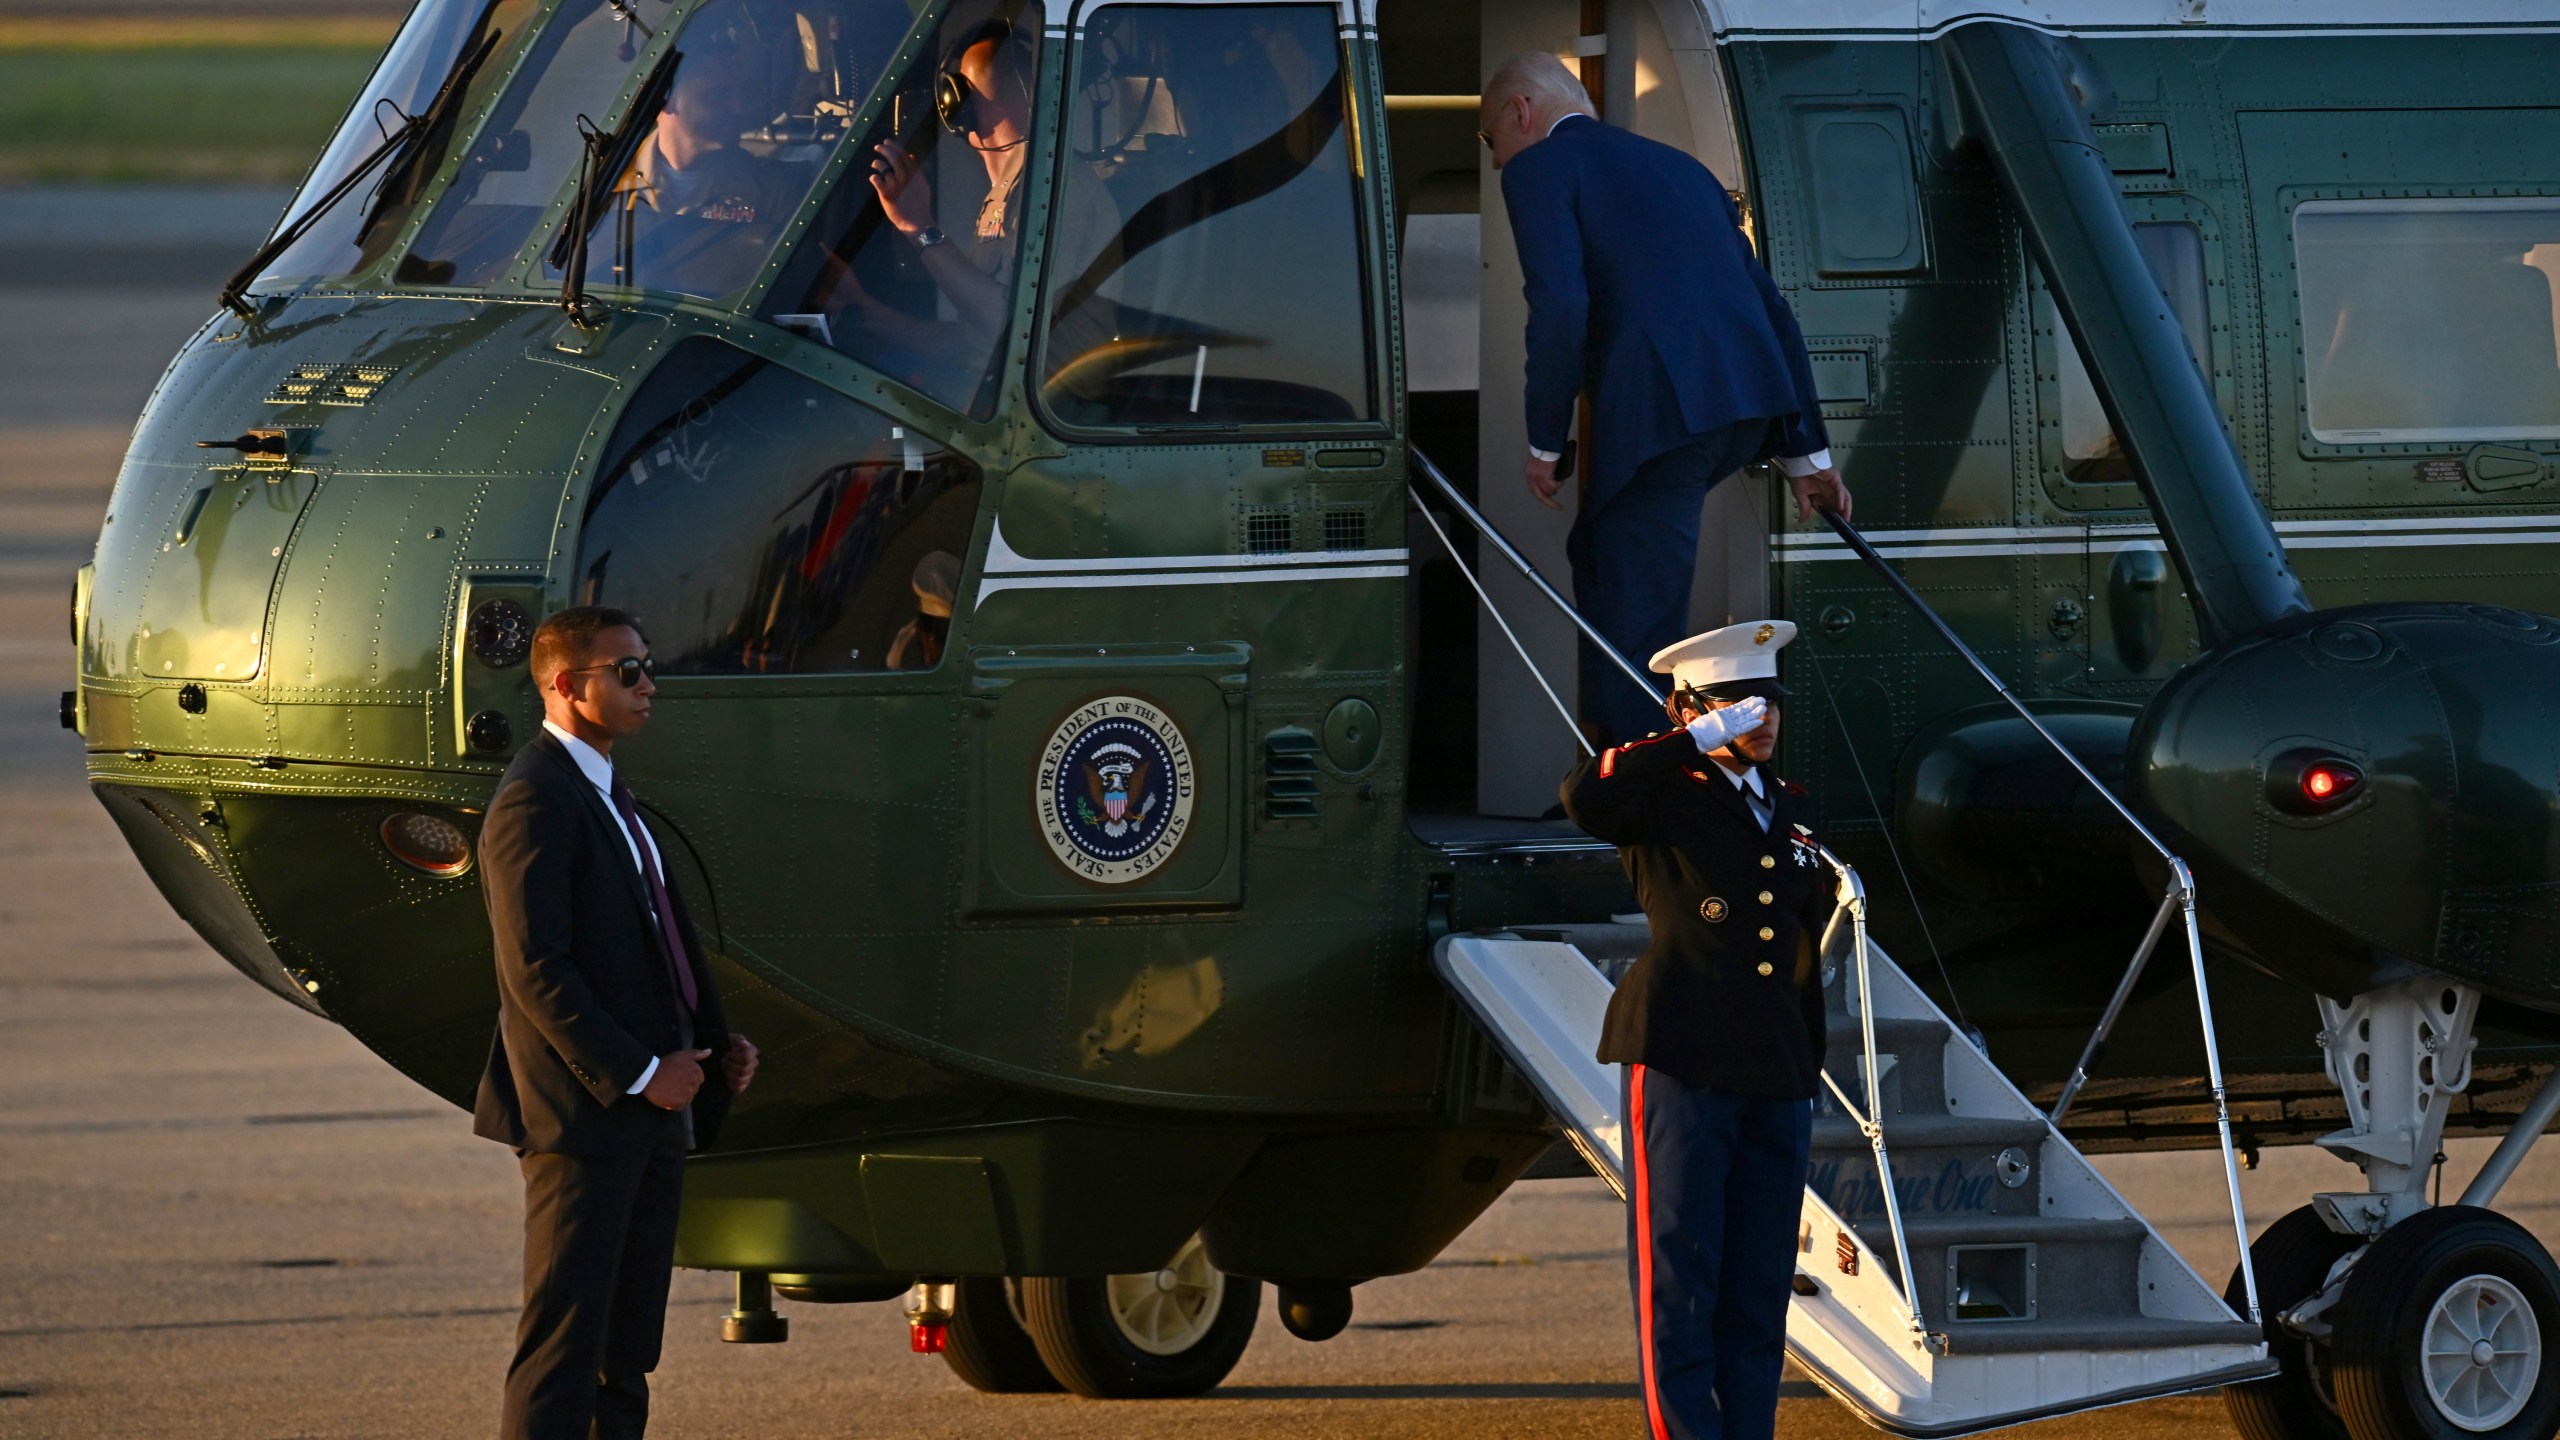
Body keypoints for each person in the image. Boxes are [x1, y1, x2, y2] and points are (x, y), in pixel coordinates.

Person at [1482, 53, 1851, 748]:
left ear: (1521, 111)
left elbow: (1559, 303)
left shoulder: (1540, 167)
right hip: (1744, 409)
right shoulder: (1683, 169)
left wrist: (1544, 440)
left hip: (1666, 416)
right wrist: (1809, 456)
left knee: (1634, 607)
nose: (1497, 160)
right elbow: (1772, 309)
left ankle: (1641, 789)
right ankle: (1614, 767)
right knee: (1602, 554)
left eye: (1488, 138)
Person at [474, 605, 760, 1440]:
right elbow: (537, 971)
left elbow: (657, 938)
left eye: (647, 666)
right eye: (626, 671)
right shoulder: (533, 800)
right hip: (584, 1119)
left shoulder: (606, 789)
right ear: (566, 686)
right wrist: (639, 1070)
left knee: (627, 1351)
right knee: (562, 1349)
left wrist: (712, 1043)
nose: (648, 685)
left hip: (652, 1114)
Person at [1558, 619, 1832, 1440]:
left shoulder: (1790, 809)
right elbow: (1587, 796)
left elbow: (1800, 938)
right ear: (1691, 710)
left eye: (1771, 701)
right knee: (1679, 1282)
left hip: (1775, 1067)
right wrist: (1694, 739)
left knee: (1757, 1289)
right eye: (1739, 703)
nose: (1763, 717)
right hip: (1682, 1054)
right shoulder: (1663, 795)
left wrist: (1806, 1059)